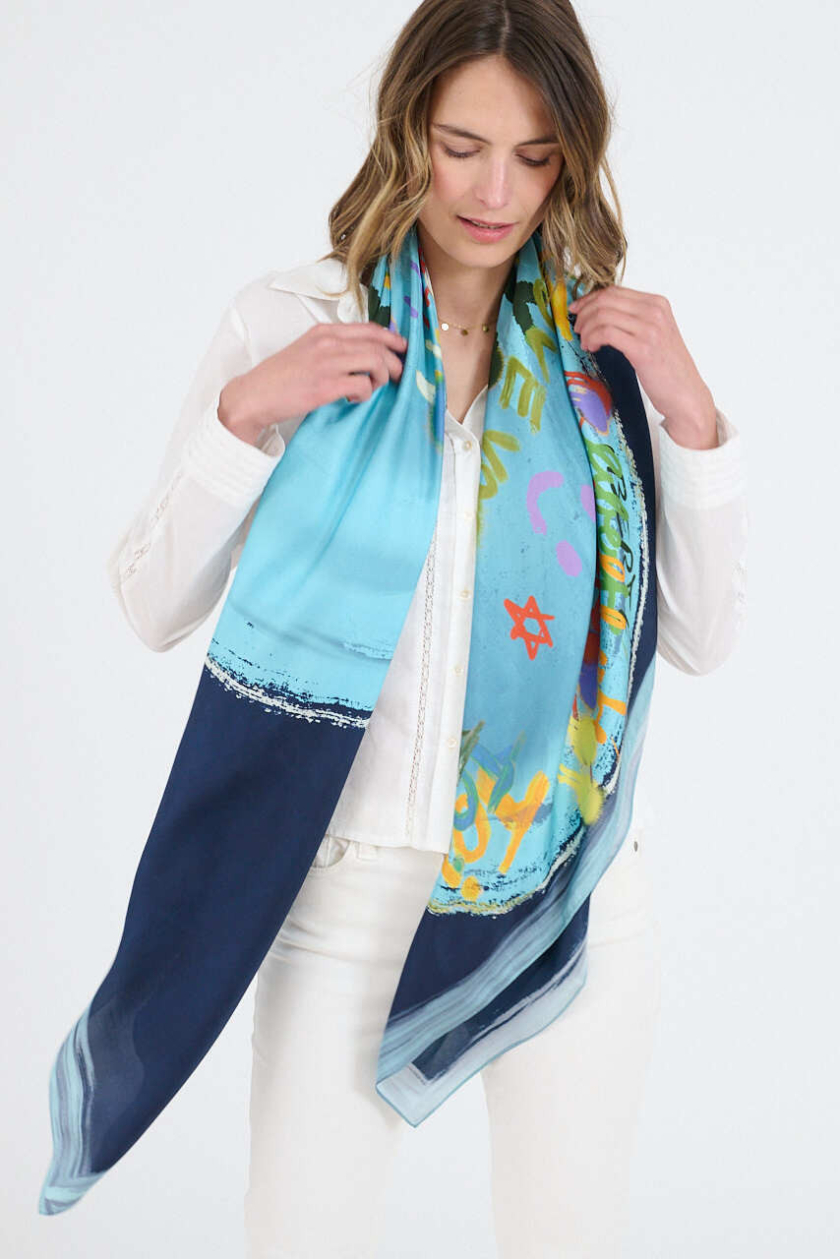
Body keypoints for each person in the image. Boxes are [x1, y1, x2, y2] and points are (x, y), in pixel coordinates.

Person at [107, 2, 748, 1256]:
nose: (496, 192)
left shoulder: (606, 357)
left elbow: (704, 638)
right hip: (343, 893)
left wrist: (695, 423)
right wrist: (246, 415)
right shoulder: (292, 321)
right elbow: (150, 604)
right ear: (406, 130)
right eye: (463, 147)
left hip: (570, 894)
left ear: (572, 159)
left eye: (535, 155)